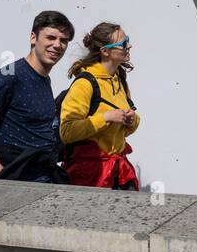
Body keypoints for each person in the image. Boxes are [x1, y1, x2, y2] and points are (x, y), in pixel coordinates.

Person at [0, 10, 74, 182]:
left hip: (44, 179)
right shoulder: (10, 76)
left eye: (63, 40)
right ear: (33, 38)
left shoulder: (44, 79)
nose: (58, 45)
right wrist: (3, 177)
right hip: (19, 187)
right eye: (51, 38)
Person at [59, 22, 140, 189]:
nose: (129, 46)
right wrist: (106, 118)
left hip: (118, 172)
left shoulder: (120, 79)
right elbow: (66, 131)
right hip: (89, 176)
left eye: (128, 40)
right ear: (105, 51)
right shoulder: (84, 83)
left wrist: (132, 120)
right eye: (124, 43)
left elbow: (124, 130)